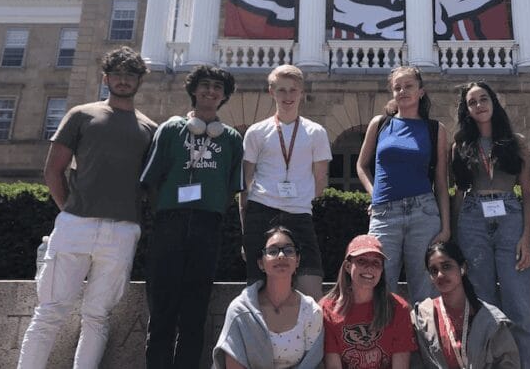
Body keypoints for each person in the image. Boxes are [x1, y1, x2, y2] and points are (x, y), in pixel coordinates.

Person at [18, 46, 157, 369]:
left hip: (122, 231)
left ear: (140, 80)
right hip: (75, 226)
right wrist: (68, 207)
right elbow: (54, 169)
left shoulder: (150, 129)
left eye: (130, 75)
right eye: (118, 74)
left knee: (97, 315)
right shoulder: (81, 114)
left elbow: (152, 185)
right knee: (50, 310)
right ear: (106, 77)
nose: (123, 80)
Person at [140, 65, 244, 368]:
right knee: (162, 310)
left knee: (195, 312)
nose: (210, 91)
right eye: (205, 85)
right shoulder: (171, 129)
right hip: (169, 225)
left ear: (224, 96)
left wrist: (210, 208)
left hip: (207, 227)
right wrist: (165, 210)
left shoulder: (231, 139)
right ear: (194, 90)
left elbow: (232, 189)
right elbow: (150, 180)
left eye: (217, 88)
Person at [450, 82, 530, 368]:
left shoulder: (515, 141)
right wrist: (453, 239)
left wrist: (527, 238)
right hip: (473, 217)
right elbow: (458, 193)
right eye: (472, 102)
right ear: (466, 110)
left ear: (494, 101)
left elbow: (528, 193)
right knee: (482, 304)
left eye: (483, 98)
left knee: (521, 304)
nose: (479, 105)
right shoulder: (460, 145)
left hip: (510, 216)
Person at [356, 66, 450, 304]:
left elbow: (441, 182)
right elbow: (362, 165)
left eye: (409, 86)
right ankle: (382, 341)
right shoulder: (380, 124)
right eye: (397, 87)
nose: (403, 91)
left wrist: (446, 227)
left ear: (421, 92)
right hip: (385, 214)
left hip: (424, 213)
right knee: (377, 283)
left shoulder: (435, 129)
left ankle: (426, 341)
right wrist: (374, 194)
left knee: (427, 290)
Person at [240, 64, 332, 300]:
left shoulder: (316, 132)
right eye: (281, 90)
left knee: (311, 293)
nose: (287, 96)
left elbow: (321, 180)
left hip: (300, 214)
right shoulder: (256, 132)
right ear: (271, 92)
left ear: (302, 92)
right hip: (261, 212)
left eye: (293, 90)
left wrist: (298, 197)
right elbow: (245, 184)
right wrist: (245, 235)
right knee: (258, 294)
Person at [212, 226, 324, 369]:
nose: (281, 255)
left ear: (297, 260)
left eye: (289, 250)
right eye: (272, 251)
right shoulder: (240, 311)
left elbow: (313, 364)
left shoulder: (311, 311)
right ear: (261, 263)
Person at [412, 241, 520, 368]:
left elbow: (508, 364)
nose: (440, 275)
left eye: (446, 266)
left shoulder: (490, 320)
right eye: (434, 270)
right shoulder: (422, 317)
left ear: (462, 268)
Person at [321, 235, 418, 369]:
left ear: (382, 270)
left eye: (376, 263)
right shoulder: (327, 309)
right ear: (348, 267)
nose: (369, 268)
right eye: (361, 261)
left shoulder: (399, 308)